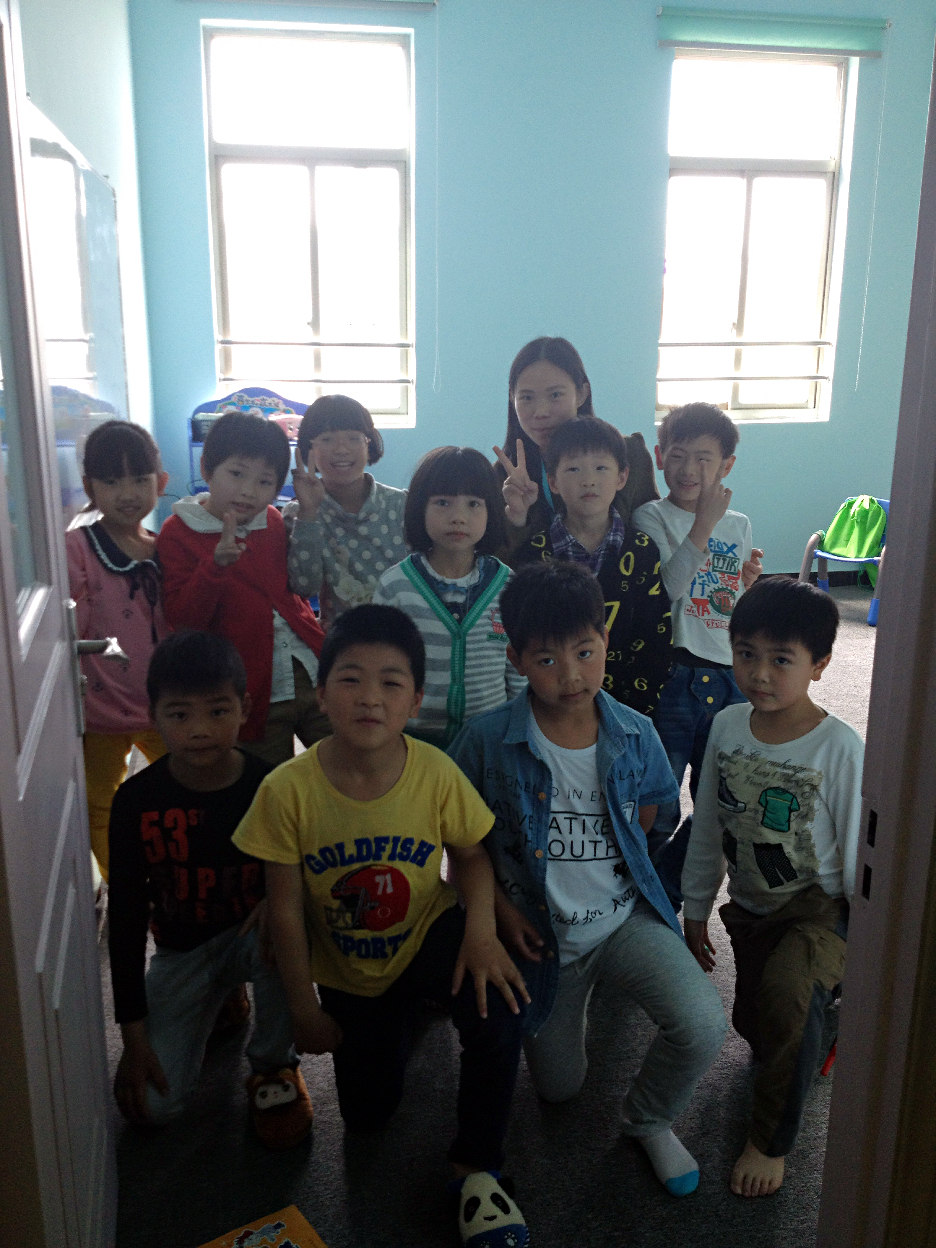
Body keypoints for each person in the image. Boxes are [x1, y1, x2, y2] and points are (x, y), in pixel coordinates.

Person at [232, 604, 532, 1245]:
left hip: (427, 932)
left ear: (415, 700)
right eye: (350, 679)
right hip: (349, 967)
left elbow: (472, 855)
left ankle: (478, 1165)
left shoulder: (435, 770)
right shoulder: (286, 790)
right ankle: (403, 1015)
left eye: (391, 682)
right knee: (367, 1117)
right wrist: (303, 1009)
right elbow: (283, 911)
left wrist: (480, 932)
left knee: (498, 1007)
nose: (370, 697)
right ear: (320, 693)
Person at [448, 562, 727, 1199]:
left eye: (584, 652)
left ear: (605, 640)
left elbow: (651, 818)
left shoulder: (635, 732)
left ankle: (649, 1119)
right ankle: (575, 1007)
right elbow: (461, 842)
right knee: (559, 1090)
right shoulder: (485, 741)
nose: (571, 676)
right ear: (516, 658)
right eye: (546, 660)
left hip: (624, 920)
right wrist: (496, 915)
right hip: (542, 940)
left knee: (702, 1024)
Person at [681, 577, 863, 1198]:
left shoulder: (839, 747)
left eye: (781, 659)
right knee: (759, 1031)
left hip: (818, 907)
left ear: (820, 665)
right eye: (746, 654)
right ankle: (824, 1024)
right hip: (752, 904)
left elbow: (862, 845)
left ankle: (770, 1141)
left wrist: (862, 937)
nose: (759, 673)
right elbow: (708, 821)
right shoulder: (727, 726)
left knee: (789, 1000)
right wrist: (697, 907)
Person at [107, 630, 313, 1148]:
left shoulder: (271, 786)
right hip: (181, 952)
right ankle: (223, 1000)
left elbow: (311, 864)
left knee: (287, 929)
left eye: (218, 711)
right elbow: (126, 918)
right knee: (152, 1107)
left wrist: (279, 901)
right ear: (153, 715)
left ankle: (273, 1065)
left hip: (253, 937)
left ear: (245, 708)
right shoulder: (135, 800)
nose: (200, 730)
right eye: (179, 714)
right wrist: (133, 1036)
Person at [632, 402, 764, 898]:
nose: (688, 469)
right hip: (674, 676)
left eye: (704, 459)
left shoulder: (739, 524)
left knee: (721, 803)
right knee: (659, 805)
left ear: (727, 465)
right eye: (678, 455)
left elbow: (728, 606)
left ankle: (673, 894)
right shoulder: (651, 516)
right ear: (660, 456)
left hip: (729, 678)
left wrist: (746, 586)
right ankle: (646, 903)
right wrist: (703, 525)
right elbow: (665, 590)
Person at [157, 410, 326, 766]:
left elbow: (300, 587)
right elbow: (184, 622)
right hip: (253, 687)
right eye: (236, 474)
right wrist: (215, 566)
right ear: (206, 469)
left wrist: (309, 514)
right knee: (265, 782)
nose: (249, 491)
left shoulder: (272, 520)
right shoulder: (178, 531)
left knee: (344, 763)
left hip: (310, 670)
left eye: (265, 481)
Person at [512, 418, 672, 717]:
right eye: (573, 469)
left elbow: (654, 632)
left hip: (627, 707)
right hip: (551, 704)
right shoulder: (535, 554)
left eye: (601, 468)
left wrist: (639, 707)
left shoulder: (641, 550)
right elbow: (523, 637)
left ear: (622, 477)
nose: (588, 480)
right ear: (553, 482)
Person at [66, 420, 170, 881]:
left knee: (183, 789)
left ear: (160, 483)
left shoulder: (166, 548)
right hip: (102, 709)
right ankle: (127, 885)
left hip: (166, 705)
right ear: (90, 487)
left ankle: (174, 874)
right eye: (111, 482)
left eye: (140, 480)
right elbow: (69, 629)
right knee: (100, 804)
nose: (128, 493)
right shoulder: (77, 548)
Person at [372, 446, 526, 746]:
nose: (458, 517)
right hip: (414, 744)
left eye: (474, 504)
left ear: (492, 511)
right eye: (442, 502)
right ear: (420, 508)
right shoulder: (396, 586)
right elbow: (381, 667)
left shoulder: (507, 584)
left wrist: (517, 734)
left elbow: (518, 671)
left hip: (489, 743)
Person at [493, 336, 658, 556]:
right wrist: (516, 519)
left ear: (581, 394)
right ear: (512, 398)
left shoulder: (629, 455)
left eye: (555, 395)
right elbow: (497, 566)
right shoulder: (505, 476)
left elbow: (655, 538)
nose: (541, 412)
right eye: (526, 398)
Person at [285, 394, 407, 630]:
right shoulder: (298, 513)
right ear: (309, 448)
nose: (341, 449)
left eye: (353, 438)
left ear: (369, 444)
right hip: (341, 640)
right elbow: (304, 587)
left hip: (403, 636)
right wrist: (308, 514)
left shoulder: (401, 504)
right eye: (327, 439)